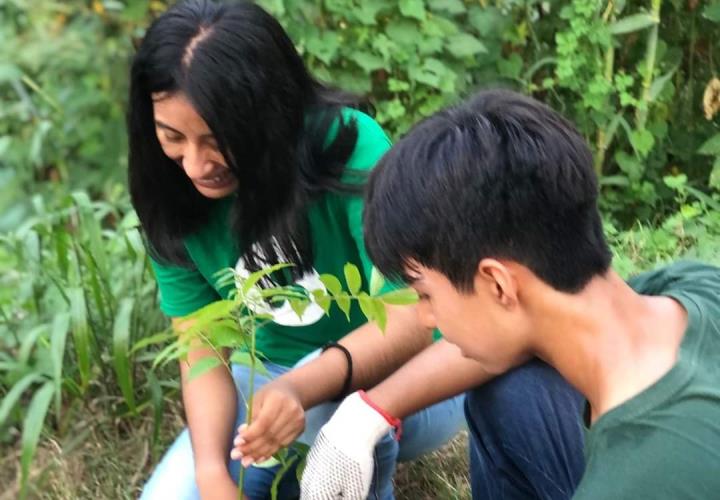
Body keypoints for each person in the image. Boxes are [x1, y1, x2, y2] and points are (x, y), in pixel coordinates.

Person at [295, 89, 720, 499]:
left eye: (425, 294)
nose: (425, 317)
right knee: (512, 392)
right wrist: (368, 413)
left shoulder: (637, 484)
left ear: (498, 284)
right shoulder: (693, 287)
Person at [127, 1, 465, 499]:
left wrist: (301, 390)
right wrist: (212, 474)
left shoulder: (347, 145)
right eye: (173, 137)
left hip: (404, 381)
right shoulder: (169, 191)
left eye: (217, 140)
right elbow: (202, 349)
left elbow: (416, 313)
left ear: (269, 114)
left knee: (332, 420)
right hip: (267, 384)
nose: (196, 165)